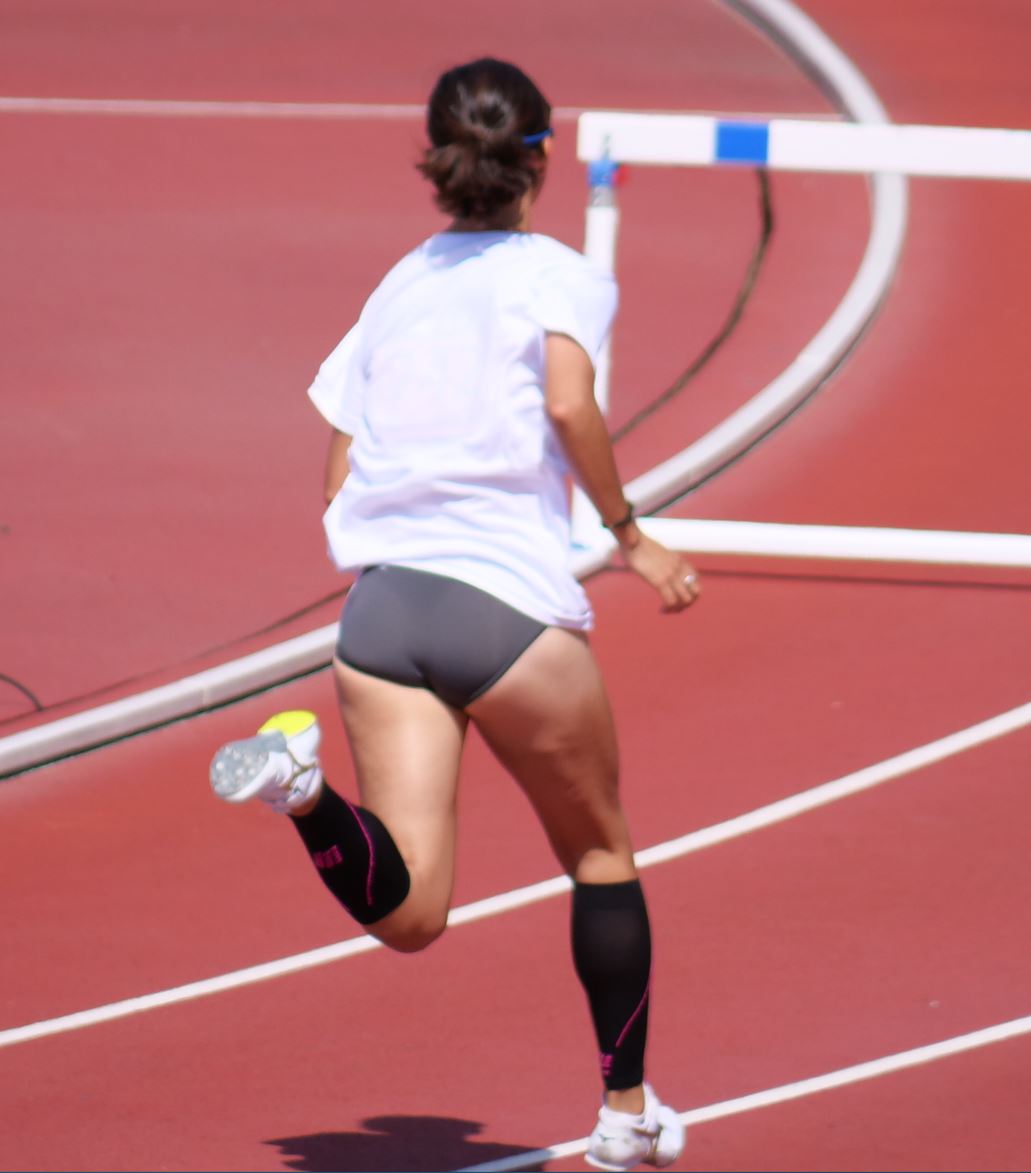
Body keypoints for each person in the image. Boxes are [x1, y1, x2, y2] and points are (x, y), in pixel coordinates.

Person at [210, 58, 699, 1171]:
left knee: (412, 914)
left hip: (380, 617)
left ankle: (303, 795)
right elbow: (570, 401)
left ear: (437, 163)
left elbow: (335, 468)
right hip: (504, 609)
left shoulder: (399, 283)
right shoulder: (559, 276)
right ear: (540, 157)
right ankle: (624, 1117)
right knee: (600, 856)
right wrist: (629, 532)